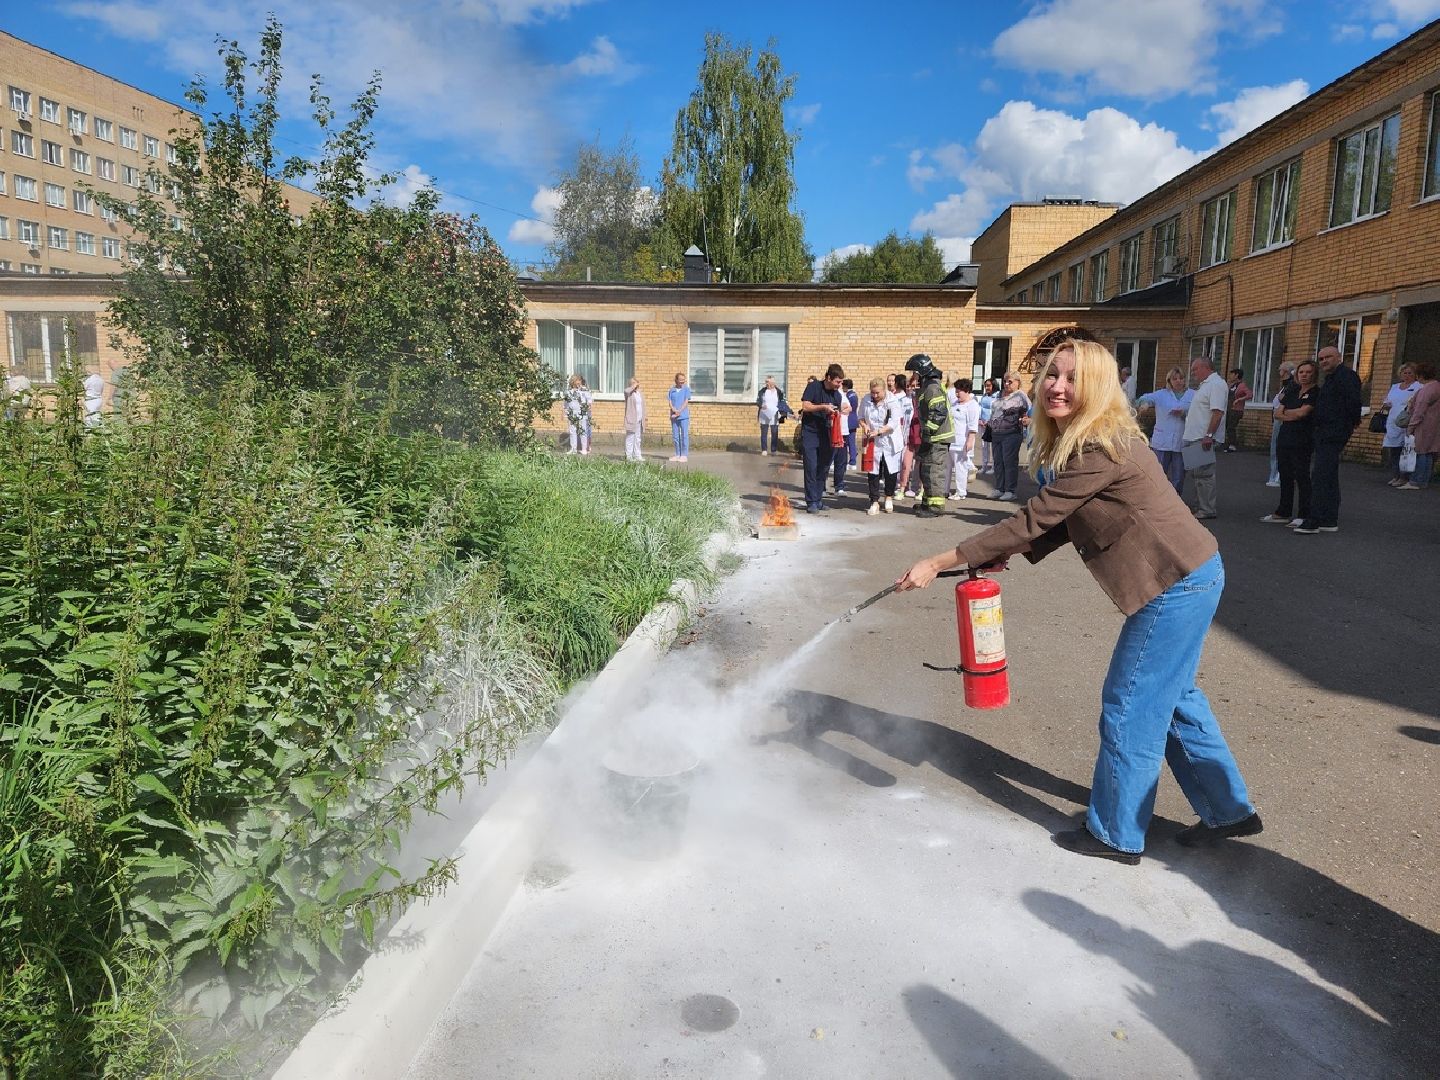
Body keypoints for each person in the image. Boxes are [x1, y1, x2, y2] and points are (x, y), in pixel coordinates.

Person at [897, 336, 1260, 864]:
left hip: (1175, 581)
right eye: (1052, 375)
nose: (1057, 386)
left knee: (1131, 702)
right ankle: (1229, 811)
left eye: (1072, 378)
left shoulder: (1102, 445)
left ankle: (1115, 833)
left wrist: (939, 560)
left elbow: (1035, 515)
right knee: (1173, 697)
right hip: (1192, 574)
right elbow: (1067, 519)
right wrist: (1011, 554)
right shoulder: (1090, 442)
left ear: (1096, 387)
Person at [1294, 345, 1361, 534]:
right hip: (1325, 432)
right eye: (1321, 359)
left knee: (1321, 476)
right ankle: (1329, 520)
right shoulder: (1332, 378)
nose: (1324, 361)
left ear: (1338, 357)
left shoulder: (1346, 376)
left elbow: (1354, 402)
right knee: (1328, 476)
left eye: (1328, 357)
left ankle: (1314, 520)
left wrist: (1350, 424)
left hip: (1334, 432)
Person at [1261, 358, 1318, 526]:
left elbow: (1304, 413)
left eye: (1308, 372)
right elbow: (1277, 413)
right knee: (1285, 475)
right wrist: (1293, 413)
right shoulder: (1293, 390)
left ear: (1314, 374)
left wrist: (1290, 414)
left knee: (1302, 476)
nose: (1304, 375)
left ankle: (1303, 514)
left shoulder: (1315, 392)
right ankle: (1283, 511)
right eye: (1301, 372)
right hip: (1285, 438)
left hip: (1303, 440)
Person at [906, 354, 954, 518]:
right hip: (932, 437)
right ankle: (928, 502)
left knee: (934, 471)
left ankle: (936, 507)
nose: (914, 376)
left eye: (915, 372)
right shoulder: (928, 386)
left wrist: (928, 431)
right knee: (926, 470)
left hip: (937, 438)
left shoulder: (932, 387)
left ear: (922, 370)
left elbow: (939, 412)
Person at [1182, 354, 1227, 520]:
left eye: (1195, 369)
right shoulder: (1205, 386)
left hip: (1203, 437)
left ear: (1205, 368)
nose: (1193, 373)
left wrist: (1209, 435)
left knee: (1204, 475)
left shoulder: (1216, 384)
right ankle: (1199, 506)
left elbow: (1217, 412)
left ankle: (1207, 509)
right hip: (1195, 437)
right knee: (1197, 475)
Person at [1136, 366, 1193, 494]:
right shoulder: (1161, 394)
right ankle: (1157, 498)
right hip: (1162, 442)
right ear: (1169, 381)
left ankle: (1176, 500)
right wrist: (1144, 404)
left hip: (1183, 441)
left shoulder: (1193, 395)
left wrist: (1184, 413)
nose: (1178, 381)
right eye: (1175, 379)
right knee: (1159, 474)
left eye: (1181, 378)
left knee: (1179, 476)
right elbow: (1144, 398)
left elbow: (1199, 414)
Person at [799, 363, 846, 514]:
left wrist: (835, 413)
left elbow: (836, 415)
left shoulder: (837, 395)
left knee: (823, 468)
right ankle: (811, 501)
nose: (839, 385)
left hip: (827, 434)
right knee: (811, 467)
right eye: (837, 381)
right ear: (828, 378)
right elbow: (806, 406)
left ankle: (818, 499)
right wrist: (823, 407)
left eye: (841, 382)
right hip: (810, 433)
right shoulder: (814, 387)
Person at [858, 378, 903, 515]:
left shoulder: (893, 401)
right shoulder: (866, 400)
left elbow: (894, 422)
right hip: (873, 441)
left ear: (884, 390)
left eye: (877, 393)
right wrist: (865, 426)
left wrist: (878, 431)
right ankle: (874, 501)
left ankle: (888, 496)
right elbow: (860, 417)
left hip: (890, 440)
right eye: (873, 393)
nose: (875, 396)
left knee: (890, 471)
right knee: (873, 471)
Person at [987, 373, 1030, 502]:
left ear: (1018, 382)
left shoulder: (1021, 396)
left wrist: (1026, 419)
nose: (1006, 384)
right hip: (996, 433)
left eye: (1010, 382)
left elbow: (1029, 411)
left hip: (1011, 434)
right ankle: (999, 488)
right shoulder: (1000, 394)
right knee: (998, 462)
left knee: (1009, 462)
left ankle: (1010, 491)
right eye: (1005, 381)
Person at [1400, 360, 1439, 491]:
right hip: (1435, 425)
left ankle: (1416, 481)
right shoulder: (1437, 387)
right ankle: (1424, 480)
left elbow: (1419, 411)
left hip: (1424, 426)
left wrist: (1410, 427)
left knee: (1420, 452)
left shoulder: (1426, 390)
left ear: (1420, 375)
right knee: (1429, 453)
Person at [1380, 363, 1420, 486]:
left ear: (1415, 375)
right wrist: (1386, 404)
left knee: (1406, 451)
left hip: (1407, 422)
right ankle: (1395, 476)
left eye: (1410, 373)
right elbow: (1387, 400)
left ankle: (1404, 477)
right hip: (1393, 422)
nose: (1407, 375)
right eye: (1404, 373)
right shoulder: (1395, 386)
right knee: (1394, 451)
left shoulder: (1418, 387)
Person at [947, 377, 981, 500]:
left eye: (959, 391)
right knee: (948, 467)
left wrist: (970, 440)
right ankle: (945, 490)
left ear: (966, 391)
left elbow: (972, 425)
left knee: (960, 468)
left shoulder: (972, 405)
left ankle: (961, 492)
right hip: (950, 440)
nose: (956, 394)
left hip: (962, 441)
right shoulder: (955, 404)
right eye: (956, 391)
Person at [1266, 361, 1297, 487]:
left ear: (1285, 372)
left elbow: (1283, 399)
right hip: (1278, 418)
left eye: (1280, 370)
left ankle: (1278, 476)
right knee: (1276, 448)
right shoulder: (1286, 386)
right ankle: (1275, 474)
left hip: (1282, 419)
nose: (1279, 372)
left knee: (1278, 448)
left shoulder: (1291, 385)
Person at [756, 375, 790, 456]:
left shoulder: (778, 392)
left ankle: (773, 450)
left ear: (773, 383)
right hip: (764, 413)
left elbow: (782, 402)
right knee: (764, 432)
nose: (767, 384)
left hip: (774, 413)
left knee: (774, 432)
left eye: (768, 382)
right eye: (766, 382)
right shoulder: (762, 391)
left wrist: (785, 411)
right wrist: (761, 405)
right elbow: (758, 401)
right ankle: (764, 449)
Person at [562, 374, 592, 455]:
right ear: (573, 382)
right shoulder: (568, 392)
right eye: (577, 380)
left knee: (583, 431)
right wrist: (564, 413)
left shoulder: (584, 390)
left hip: (582, 413)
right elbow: (565, 404)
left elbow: (589, 399)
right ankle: (573, 449)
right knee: (572, 431)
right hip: (572, 414)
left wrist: (588, 406)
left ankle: (584, 449)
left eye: (580, 381)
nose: (579, 382)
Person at [1224, 368, 1252, 451]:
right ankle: (1229, 443)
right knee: (1227, 427)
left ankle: (1233, 445)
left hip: (1236, 410)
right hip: (1229, 409)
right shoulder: (1232, 385)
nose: (1230, 376)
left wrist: (1239, 399)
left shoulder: (1242, 385)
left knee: (1231, 427)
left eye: (1232, 374)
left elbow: (1250, 394)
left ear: (1236, 375)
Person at [668, 372, 692, 462]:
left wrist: (679, 411)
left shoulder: (686, 389)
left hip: (683, 415)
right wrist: (673, 409)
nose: (682, 382)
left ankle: (684, 455)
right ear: (676, 380)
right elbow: (670, 401)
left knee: (684, 435)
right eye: (680, 380)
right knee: (675, 436)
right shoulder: (672, 390)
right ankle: (677, 454)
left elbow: (686, 401)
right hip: (674, 416)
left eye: (683, 380)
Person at [977, 378, 999, 473]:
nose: (987, 388)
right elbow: (980, 408)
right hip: (983, 424)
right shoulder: (984, 396)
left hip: (992, 424)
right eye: (985, 386)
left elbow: (997, 411)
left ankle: (994, 467)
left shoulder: (997, 396)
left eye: (989, 386)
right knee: (984, 446)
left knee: (994, 446)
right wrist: (979, 419)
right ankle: (984, 466)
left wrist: (989, 421)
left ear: (993, 385)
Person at [623, 377, 645, 462]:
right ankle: (628, 456)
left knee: (638, 438)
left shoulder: (640, 393)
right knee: (630, 437)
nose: (635, 384)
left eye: (635, 383)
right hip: (631, 419)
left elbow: (643, 406)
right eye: (632, 383)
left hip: (639, 419)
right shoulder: (628, 393)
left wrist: (644, 417)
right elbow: (627, 391)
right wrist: (632, 387)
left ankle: (637, 455)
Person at [842, 378, 860, 468]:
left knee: (847, 442)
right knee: (851, 441)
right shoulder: (854, 394)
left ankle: (852, 460)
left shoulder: (847, 396)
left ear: (845, 386)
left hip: (848, 420)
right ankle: (853, 457)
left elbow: (846, 407)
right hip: (854, 419)